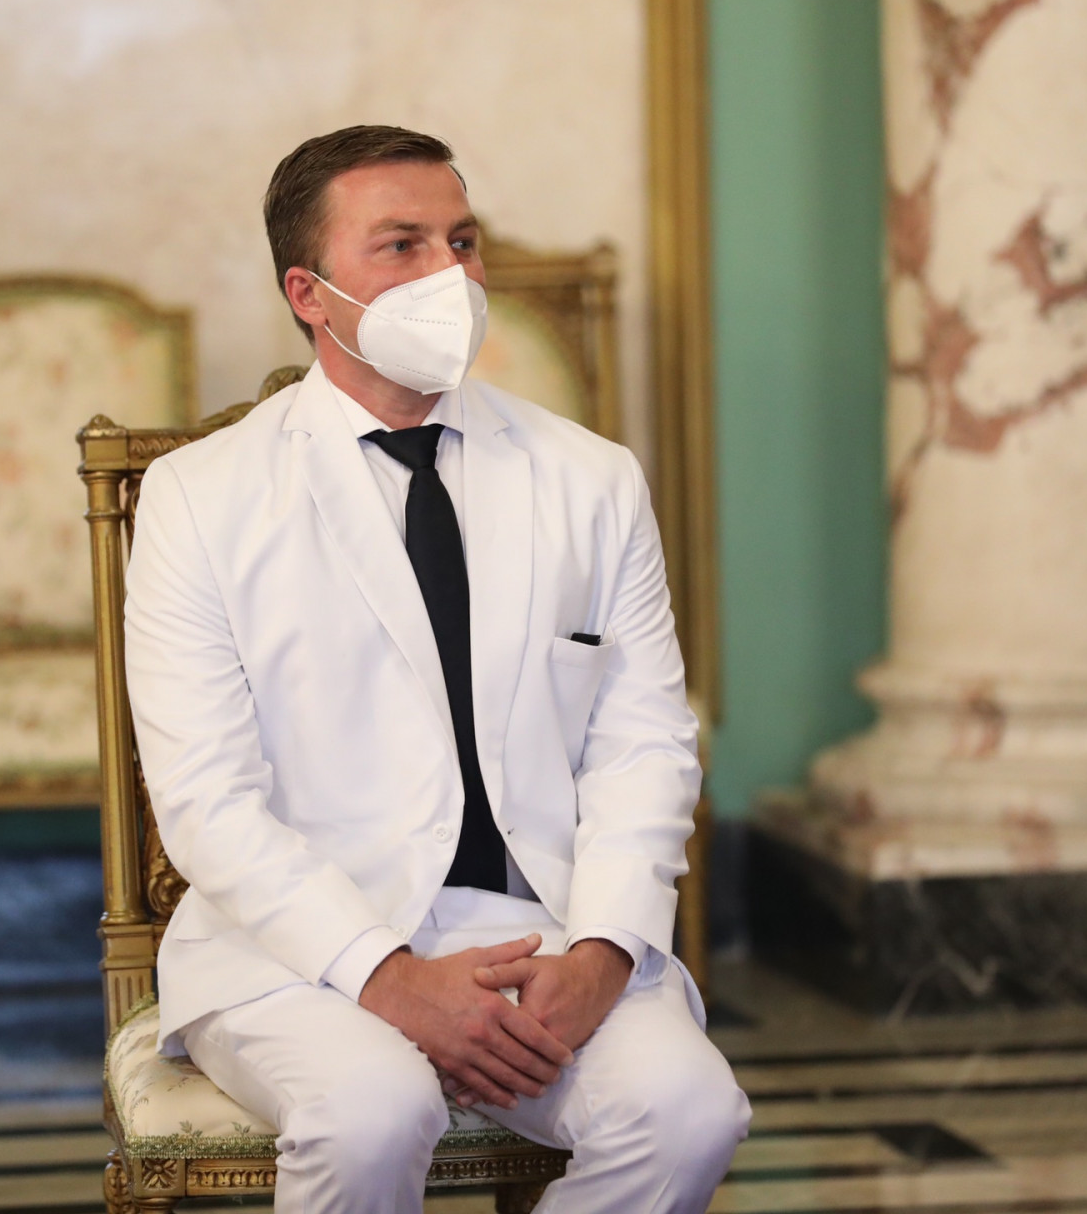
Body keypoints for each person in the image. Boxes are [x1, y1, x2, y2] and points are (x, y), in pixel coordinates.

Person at [124, 125, 750, 1213]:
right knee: (373, 1111)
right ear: (309, 293)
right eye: (401, 245)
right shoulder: (202, 499)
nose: (449, 275)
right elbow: (206, 801)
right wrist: (386, 975)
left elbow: (647, 743)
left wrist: (603, 952)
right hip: (297, 947)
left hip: (543, 928)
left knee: (690, 1111)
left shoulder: (591, 479)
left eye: (462, 241)